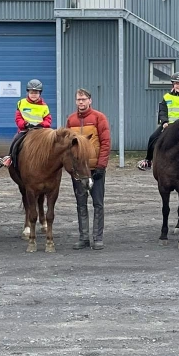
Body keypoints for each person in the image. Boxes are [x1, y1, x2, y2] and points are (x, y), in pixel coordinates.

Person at [65, 88, 112, 250]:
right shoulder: (71, 120)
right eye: (78, 99)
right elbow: (67, 146)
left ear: (90, 100)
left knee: (98, 204)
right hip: (79, 171)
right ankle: (83, 238)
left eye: (84, 99)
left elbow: (105, 143)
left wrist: (101, 166)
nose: (81, 102)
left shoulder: (99, 118)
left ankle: (98, 238)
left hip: (95, 169)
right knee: (81, 204)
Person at [137, 72, 179, 170]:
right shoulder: (166, 97)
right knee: (152, 138)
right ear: (173, 84)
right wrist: (164, 122)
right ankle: (148, 160)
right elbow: (162, 111)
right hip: (168, 125)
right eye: (177, 83)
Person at [3, 79, 52, 168]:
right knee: (15, 141)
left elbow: (48, 120)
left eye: (36, 92)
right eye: (31, 92)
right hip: (25, 130)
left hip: (40, 131)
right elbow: (18, 118)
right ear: (28, 92)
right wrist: (25, 124)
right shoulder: (21, 103)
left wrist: (42, 124)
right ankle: (10, 158)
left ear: (40, 93)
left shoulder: (44, 106)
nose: (33, 94)